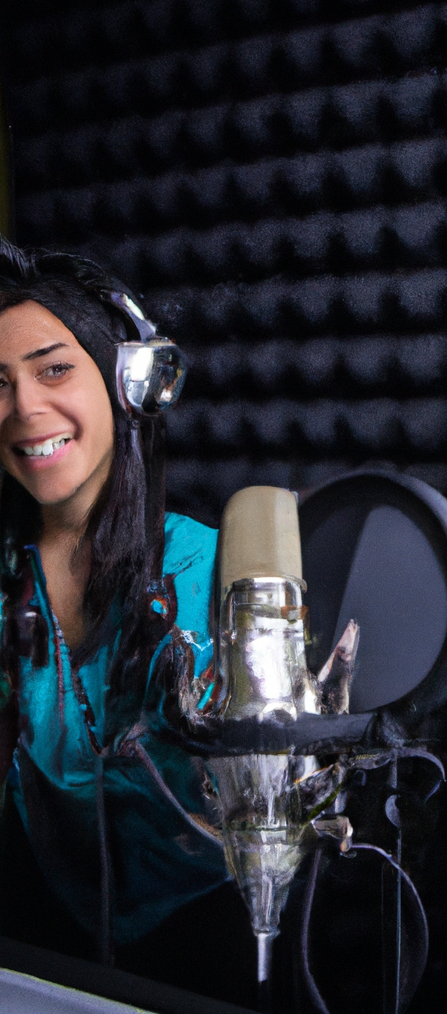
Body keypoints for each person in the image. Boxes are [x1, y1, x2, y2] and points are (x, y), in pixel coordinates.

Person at [0, 238, 233, 972]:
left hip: (206, 959)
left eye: (55, 369)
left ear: (131, 383)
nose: (25, 408)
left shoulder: (213, 568)